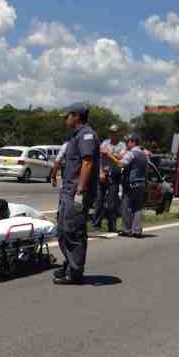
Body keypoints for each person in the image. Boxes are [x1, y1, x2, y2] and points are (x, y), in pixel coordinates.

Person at [54, 103, 99, 285]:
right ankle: (71, 263)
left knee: (73, 231)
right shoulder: (75, 136)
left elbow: (87, 162)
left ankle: (75, 272)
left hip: (76, 192)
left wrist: (80, 189)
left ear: (76, 116)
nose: (65, 119)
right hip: (68, 191)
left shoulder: (86, 135)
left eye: (67, 116)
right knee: (62, 231)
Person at [107, 134, 147, 238]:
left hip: (131, 183)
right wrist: (115, 154)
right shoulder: (143, 154)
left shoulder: (132, 153)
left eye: (128, 141)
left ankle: (127, 229)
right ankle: (137, 230)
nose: (126, 143)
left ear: (133, 142)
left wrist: (109, 155)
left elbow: (121, 164)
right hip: (141, 183)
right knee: (137, 208)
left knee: (125, 207)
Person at [93, 124, 126, 233]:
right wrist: (101, 172)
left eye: (114, 133)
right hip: (104, 174)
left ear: (118, 134)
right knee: (99, 201)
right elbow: (100, 157)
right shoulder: (105, 143)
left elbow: (121, 157)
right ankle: (96, 225)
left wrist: (109, 153)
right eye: (111, 133)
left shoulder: (122, 145)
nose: (112, 135)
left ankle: (111, 225)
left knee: (112, 203)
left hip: (115, 176)